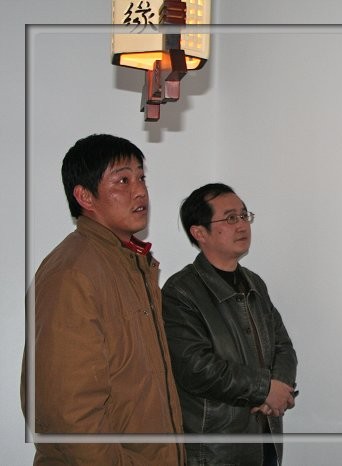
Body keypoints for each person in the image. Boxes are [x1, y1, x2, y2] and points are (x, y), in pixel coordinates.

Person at [21, 134, 185, 465]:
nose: (140, 191)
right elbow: (68, 415)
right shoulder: (73, 272)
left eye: (141, 178)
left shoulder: (131, 264)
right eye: (122, 180)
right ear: (85, 196)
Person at [162, 183, 297, 466]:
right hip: (216, 450)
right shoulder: (180, 292)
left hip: (266, 436)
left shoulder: (254, 283)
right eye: (230, 218)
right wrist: (264, 389)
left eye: (244, 215)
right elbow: (196, 368)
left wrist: (279, 388)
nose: (242, 225)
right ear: (199, 233)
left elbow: (283, 346)